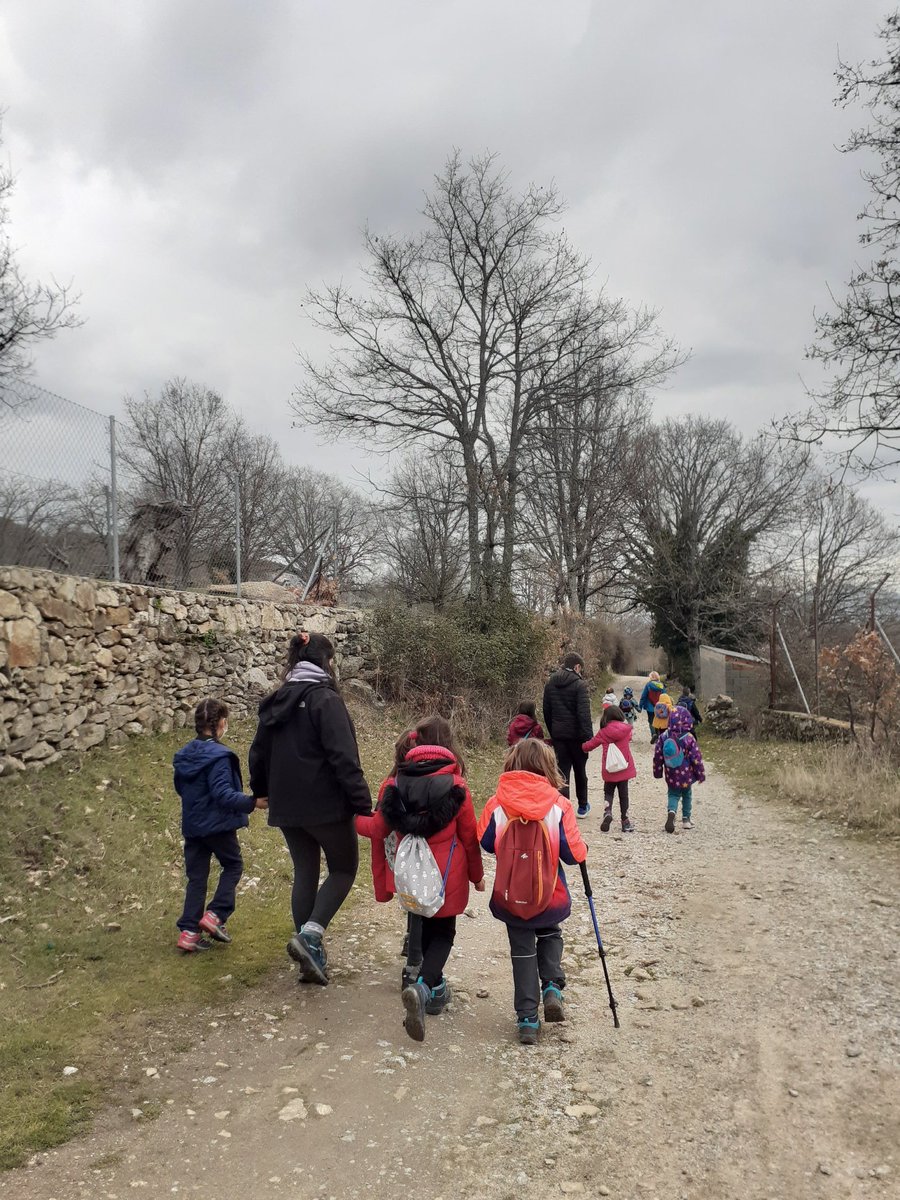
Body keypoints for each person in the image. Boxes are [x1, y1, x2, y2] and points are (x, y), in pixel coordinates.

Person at [249, 632, 373, 985]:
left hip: (286, 806)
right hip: (326, 806)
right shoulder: (325, 700)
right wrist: (362, 803)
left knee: (305, 870)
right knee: (344, 869)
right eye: (331, 661)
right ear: (324, 662)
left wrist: (260, 791)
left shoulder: (276, 700)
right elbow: (343, 756)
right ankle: (310, 937)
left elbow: (257, 752)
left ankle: (310, 954)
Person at [355, 716, 484, 1042]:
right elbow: (469, 838)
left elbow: (374, 829)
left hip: (412, 877)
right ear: (447, 746)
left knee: (423, 928)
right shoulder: (457, 788)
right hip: (447, 879)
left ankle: (434, 987)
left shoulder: (396, 786)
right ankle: (425, 987)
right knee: (444, 933)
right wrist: (477, 876)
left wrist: (346, 816)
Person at [478, 739, 588, 1045]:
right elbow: (572, 854)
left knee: (521, 950)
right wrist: (584, 849)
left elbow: (486, 842)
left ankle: (527, 1019)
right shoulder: (558, 804)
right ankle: (552, 986)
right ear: (548, 767)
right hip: (549, 892)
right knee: (550, 933)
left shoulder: (497, 803)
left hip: (512, 893)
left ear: (511, 765)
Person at [174, 698, 267, 953]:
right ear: (221, 723)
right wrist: (252, 802)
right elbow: (223, 794)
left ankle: (189, 933)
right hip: (217, 826)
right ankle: (216, 915)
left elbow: (180, 788)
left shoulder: (184, 755)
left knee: (196, 878)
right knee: (233, 865)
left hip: (193, 825)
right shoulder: (220, 756)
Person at [542, 652, 593, 817]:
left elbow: (546, 711)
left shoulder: (550, 684)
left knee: (562, 771)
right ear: (577, 666)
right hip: (577, 737)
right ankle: (583, 806)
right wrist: (588, 739)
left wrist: (554, 731)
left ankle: (563, 808)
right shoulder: (580, 685)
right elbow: (583, 714)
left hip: (559, 736)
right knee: (580, 770)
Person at [582, 703, 637, 832]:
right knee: (624, 795)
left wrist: (582, 746)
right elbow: (629, 738)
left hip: (609, 769)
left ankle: (607, 813)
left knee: (608, 792)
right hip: (624, 768)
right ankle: (625, 821)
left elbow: (590, 745)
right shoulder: (626, 730)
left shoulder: (603, 732)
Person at [653, 705, 706, 832]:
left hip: (671, 772)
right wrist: (700, 774)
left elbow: (657, 756)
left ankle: (672, 812)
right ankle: (686, 819)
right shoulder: (689, 738)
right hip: (686, 774)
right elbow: (696, 758)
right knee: (687, 794)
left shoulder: (664, 736)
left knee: (673, 794)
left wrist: (658, 772)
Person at [648, 679, 675, 744]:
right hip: (666, 724)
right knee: (667, 735)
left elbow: (655, 713)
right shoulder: (669, 706)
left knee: (660, 733)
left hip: (658, 725)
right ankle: (665, 742)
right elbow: (673, 712)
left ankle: (658, 738)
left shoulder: (657, 705)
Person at [638, 671, 662, 738]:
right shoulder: (661, 685)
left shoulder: (648, 685)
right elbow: (665, 696)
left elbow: (644, 696)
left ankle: (653, 734)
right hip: (659, 707)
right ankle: (658, 735)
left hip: (650, 707)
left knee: (651, 721)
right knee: (658, 720)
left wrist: (640, 706)